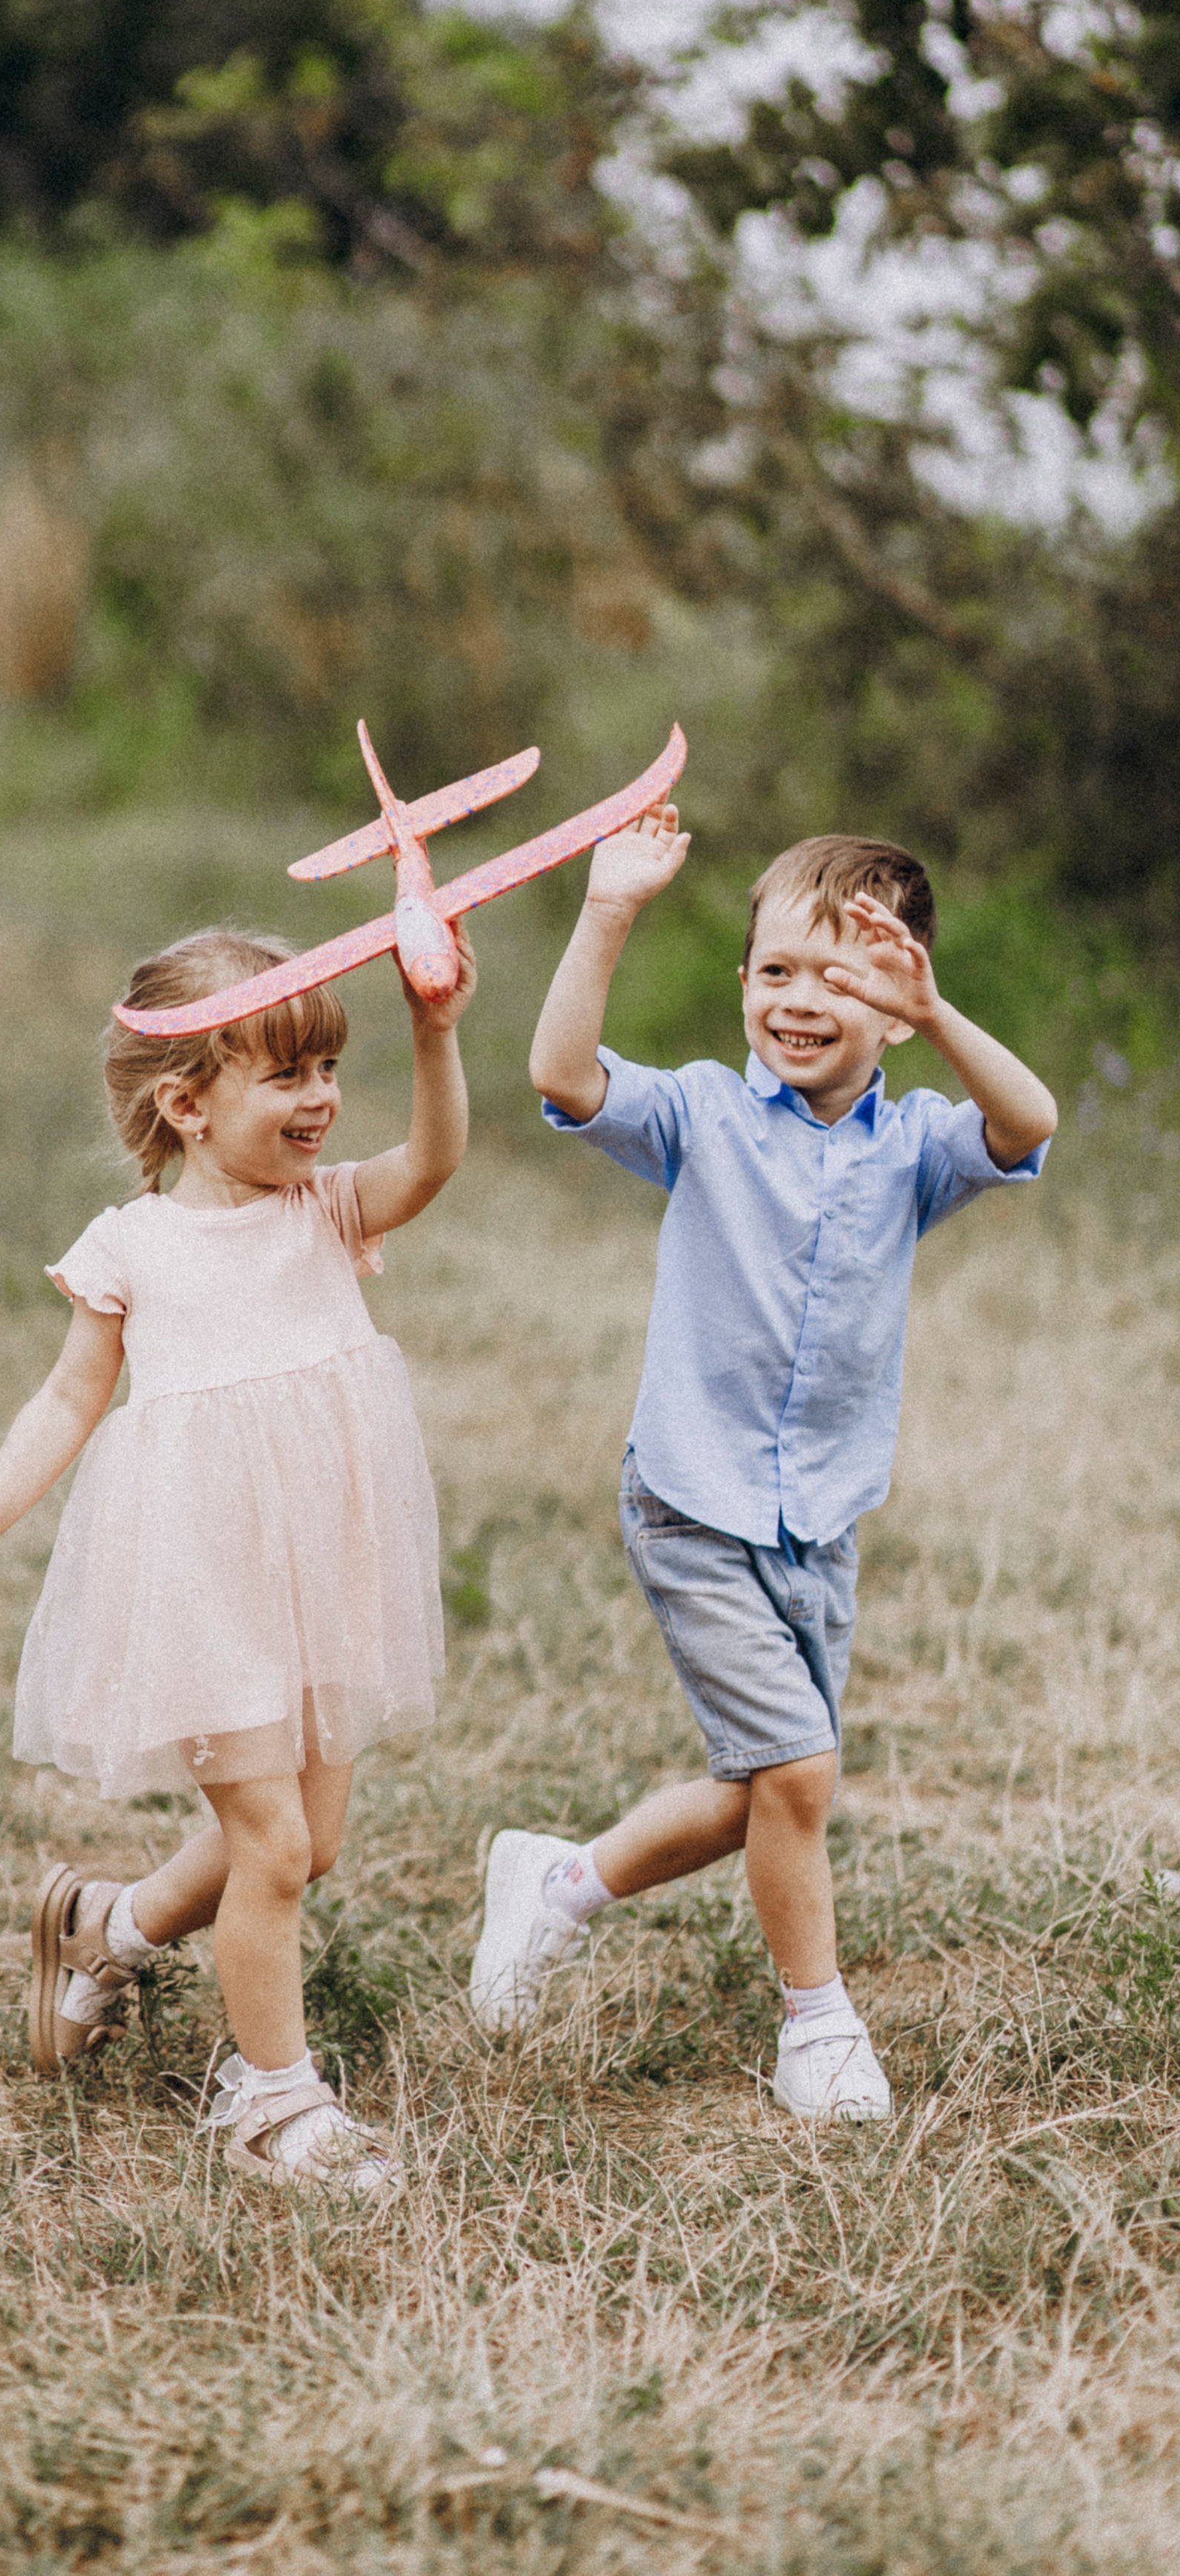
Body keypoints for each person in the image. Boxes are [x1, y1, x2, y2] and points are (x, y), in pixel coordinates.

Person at [471, 815, 1055, 2120]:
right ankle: (818, 2025)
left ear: (895, 1009)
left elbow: (1030, 1122)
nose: (799, 1002)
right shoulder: (701, 1115)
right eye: (775, 971)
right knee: (800, 1774)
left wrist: (945, 1015)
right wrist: (610, 908)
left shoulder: (913, 1151)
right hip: (689, 1499)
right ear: (741, 986)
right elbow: (565, 1077)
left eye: (839, 979)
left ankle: (558, 1881)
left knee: (759, 1792)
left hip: (821, 1516)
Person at [0, 923, 475, 2192]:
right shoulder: (134, 1247)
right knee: (270, 1847)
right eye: (287, 1076)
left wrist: (435, 1032)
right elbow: (66, 1402)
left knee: (308, 1847)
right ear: (188, 1102)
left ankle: (105, 1926)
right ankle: (275, 2102)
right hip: (203, 1570)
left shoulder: (325, 1208)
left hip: (319, 1563)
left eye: (330, 1069)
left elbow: (435, 1161)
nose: (323, 1099)